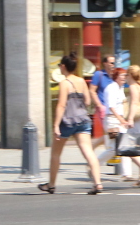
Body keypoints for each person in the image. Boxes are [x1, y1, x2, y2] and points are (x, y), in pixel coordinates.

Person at [40, 53, 103, 194]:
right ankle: (97, 183)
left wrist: (56, 125)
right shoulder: (81, 81)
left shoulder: (64, 83)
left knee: (56, 153)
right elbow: (87, 102)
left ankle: (51, 184)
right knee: (88, 152)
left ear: (63, 67)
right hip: (83, 120)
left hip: (67, 122)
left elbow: (61, 105)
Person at [95, 68, 131, 179]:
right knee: (112, 148)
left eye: (125, 75)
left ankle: (127, 174)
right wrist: (121, 120)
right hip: (112, 120)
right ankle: (94, 164)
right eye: (122, 75)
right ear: (116, 76)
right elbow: (111, 106)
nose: (124, 77)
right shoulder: (111, 88)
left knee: (124, 146)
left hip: (120, 119)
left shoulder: (121, 88)